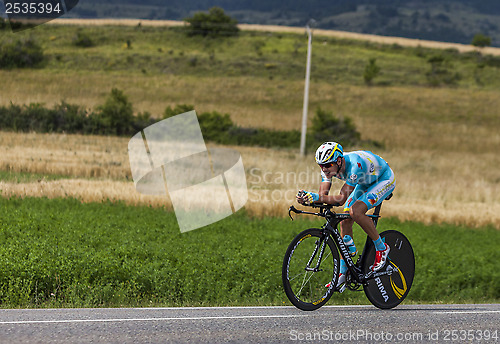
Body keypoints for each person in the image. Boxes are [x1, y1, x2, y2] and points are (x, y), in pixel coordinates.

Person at [296, 141, 395, 291]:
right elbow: (323, 196)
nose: (324, 169)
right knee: (344, 220)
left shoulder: (355, 166)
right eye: (321, 166)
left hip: (383, 179)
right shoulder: (328, 167)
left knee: (355, 211)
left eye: (328, 165)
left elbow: (341, 198)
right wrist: (308, 200)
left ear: (339, 160)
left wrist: (316, 197)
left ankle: (381, 248)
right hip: (364, 181)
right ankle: (343, 273)